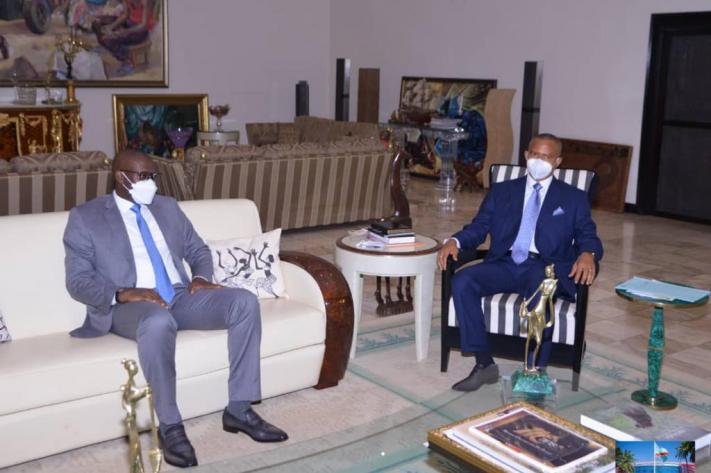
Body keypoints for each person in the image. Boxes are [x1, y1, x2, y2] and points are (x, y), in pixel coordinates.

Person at [63, 150, 287, 468]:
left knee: (244, 301)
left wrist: (200, 278)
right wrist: (121, 293)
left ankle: (239, 409)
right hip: (131, 306)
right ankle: (170, 426)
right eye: (144, 177)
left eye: (154, 176)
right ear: (120, 176)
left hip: (179, 296)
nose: (152, 183)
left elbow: (198, 250)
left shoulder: (167, 207)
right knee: (158, 321)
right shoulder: (86, 217)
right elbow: (77, 281)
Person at [437, 133, 603, 392]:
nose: (539, 161)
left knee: (540, 288)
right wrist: (455, 241)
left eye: (546, 156)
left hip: (544, 267)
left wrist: (588, 253)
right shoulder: (503, 190)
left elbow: (587, 235)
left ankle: (534, 371)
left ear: (557, 161)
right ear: (526, 155)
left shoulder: (573, 197)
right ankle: (484, 364)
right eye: (535, 154)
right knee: (463, 281)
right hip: (505, 263)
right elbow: (479, 227)